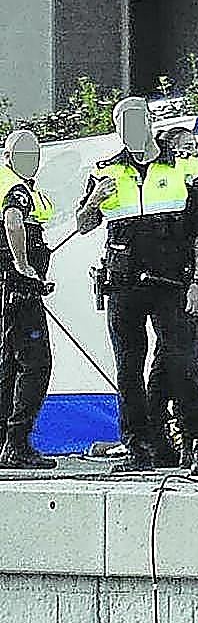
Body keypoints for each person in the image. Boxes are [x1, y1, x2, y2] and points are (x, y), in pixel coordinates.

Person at [75, 98, 198, 475]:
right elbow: (84, 222)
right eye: (122, 124)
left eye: (135, 121)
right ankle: (138, 445)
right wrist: (94, 200)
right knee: (128, 366)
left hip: (173, 278)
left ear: (151, 122)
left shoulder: (185, 166)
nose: (129, 130)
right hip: (124, 281)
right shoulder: (105, 168)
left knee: (183, 359)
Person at [144, 126, 198, 472]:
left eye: (195, 147)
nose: (192, 154)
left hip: (185, 281)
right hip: (165, 283)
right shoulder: (163, 181)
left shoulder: (193, 182)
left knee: (175, 359)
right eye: (185, 148)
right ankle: (183, 435)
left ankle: (170, 435)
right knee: (179, 360)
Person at [0, 130, 56, 469]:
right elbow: (13, 219)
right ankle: (17, 443)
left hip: (10, 288)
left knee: (9, 364)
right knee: (36, 363)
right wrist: (23, 265)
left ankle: (7, 442)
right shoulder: (15, 188)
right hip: (17, 287)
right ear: (9, 156)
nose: (30, 159)